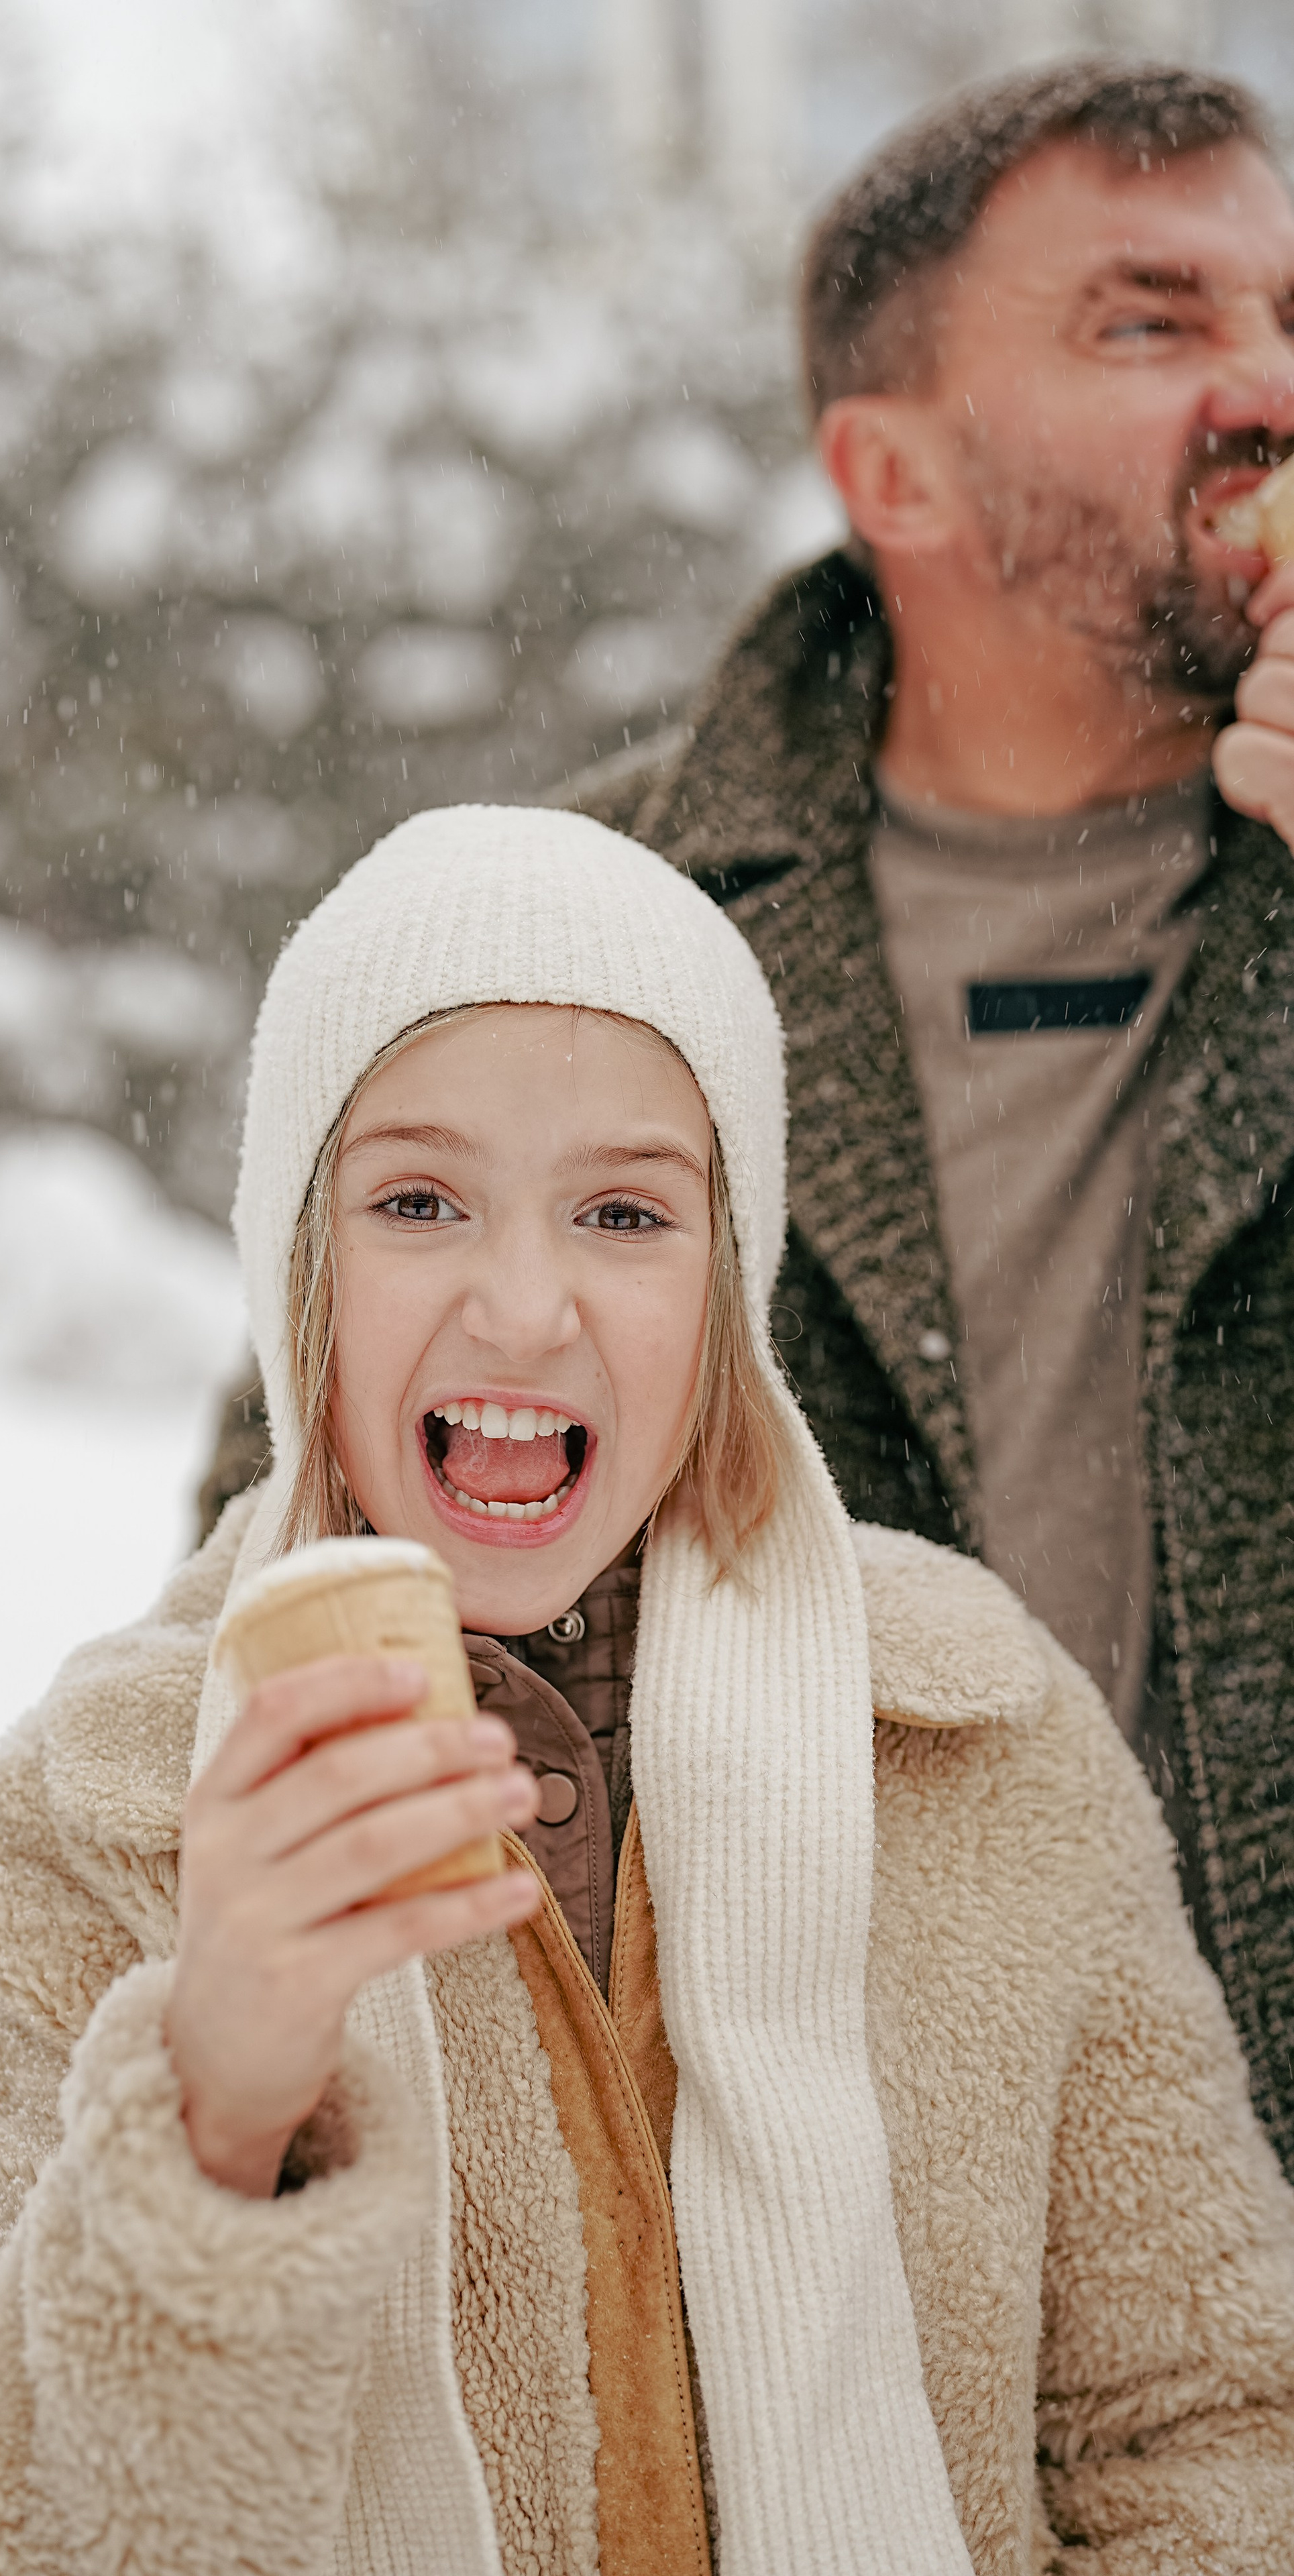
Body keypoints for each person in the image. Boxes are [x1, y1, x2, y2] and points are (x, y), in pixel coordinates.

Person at [0, 805, 1294, 2576]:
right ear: (297, 1266)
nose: (524, 1306)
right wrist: (218, 2107)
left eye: (625, 1212)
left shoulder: (976, 1736)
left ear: (729, 1287)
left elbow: (1216, 2427)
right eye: (420, 1201)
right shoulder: (93, 1824)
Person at [199, 58, 1294, 2182]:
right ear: (893, 472)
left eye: (1289, 317)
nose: (1267, 384)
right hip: (792, 2265)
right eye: (1152, 322)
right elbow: (295, 1551)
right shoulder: (582, 917)